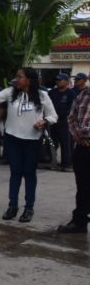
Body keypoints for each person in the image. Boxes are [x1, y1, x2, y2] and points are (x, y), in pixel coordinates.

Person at [0, 67, 58, 223]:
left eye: (20, 77)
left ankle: (29, 208)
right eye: (16, 76)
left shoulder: (42, 95)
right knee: (15, 173)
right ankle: (12, 206)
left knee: (29, 173)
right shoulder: (11, 92)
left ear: (29, 80)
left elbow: (53, 116)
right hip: (13, 139)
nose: (16, 79)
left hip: (32, 141)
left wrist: (44, 122)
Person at [58, 85, 90, 233]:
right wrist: (79, 137)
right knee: (82, 187)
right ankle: (79, 222)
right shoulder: (82, 95)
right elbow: (71, 118)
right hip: (82, 147)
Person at [48, 73, 77, 171]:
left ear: (67, 81)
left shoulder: (71, 93)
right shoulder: (52, 92)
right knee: (52, 143)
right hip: (52, 121)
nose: (58, 81)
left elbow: (72, 108)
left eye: (60, 80)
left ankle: (66, 164)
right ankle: (52, 162)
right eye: (57, 80)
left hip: (64, 122)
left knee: (66, 144)